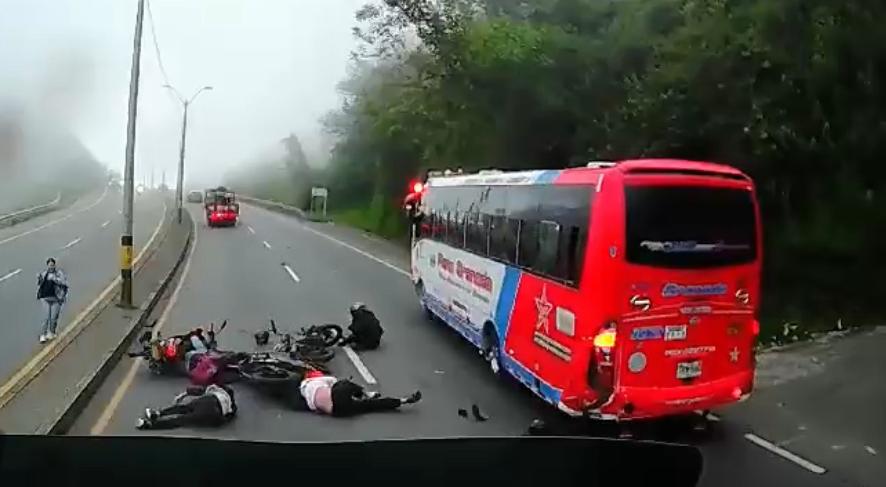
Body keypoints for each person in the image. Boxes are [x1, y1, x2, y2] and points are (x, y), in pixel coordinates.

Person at [299, 370, 421, 417]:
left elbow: (315, 408)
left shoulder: (308, 396)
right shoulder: (316, 381)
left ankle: (401, 401)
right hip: (337, 397)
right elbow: (334, 381)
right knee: (345, 383)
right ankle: (368, 393)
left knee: (368, 405)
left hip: (337, 411)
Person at [136, 384, 237, 430]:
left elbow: (200, 390)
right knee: (182, 420)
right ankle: (149, 424)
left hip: (209, 400)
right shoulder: (232, 407)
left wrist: (182, 395)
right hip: (215, 411)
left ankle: (156, 415)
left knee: (183, 408)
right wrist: (216, 422)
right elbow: (227, 418)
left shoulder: (218, 389)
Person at [36, 257, 68, 344]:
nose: (51, 267)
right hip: (45, 298)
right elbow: (40, 284)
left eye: (52, 265)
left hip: (56, 298)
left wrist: (54, 279)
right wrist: (39, 278)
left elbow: (64, 283)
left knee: (54, 318)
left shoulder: (59, 273)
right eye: (49, 265)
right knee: (46, 317)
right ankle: (43, 334)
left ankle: (52, 332)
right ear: (47, 266)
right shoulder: (44, 274)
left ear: (55, 265)